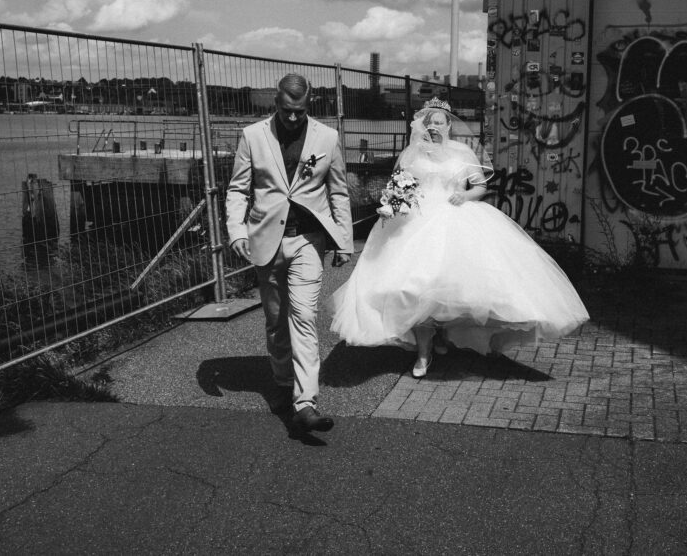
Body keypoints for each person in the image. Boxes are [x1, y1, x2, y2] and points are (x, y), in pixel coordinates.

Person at [330, 98, 589, 377]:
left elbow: (480, 186)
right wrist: (396, 200)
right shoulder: (413, 154)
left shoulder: (462, 152)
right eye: (429, 123)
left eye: (439, 123)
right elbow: (399, 185)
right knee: (414, 286)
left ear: (450, 125)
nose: (434, 128)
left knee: (452, 287)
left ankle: (442, 337)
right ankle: (423, 353)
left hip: (455, 216)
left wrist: (464, 195)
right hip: (415, 222)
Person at [225, 72, 353, 434]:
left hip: (308, 241)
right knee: (277, 322)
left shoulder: (327, 137)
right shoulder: (253, 135)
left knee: (304, 318)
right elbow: (237, 189)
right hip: (265, 240)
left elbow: (338, 192)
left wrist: (343, 239)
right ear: (276, 103)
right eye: (286, 110)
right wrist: (236, 231)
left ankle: (306, 402)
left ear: (308, 105)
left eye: (299, 111)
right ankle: (283, 382)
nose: (293, 118)